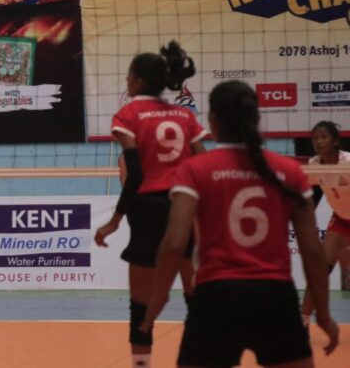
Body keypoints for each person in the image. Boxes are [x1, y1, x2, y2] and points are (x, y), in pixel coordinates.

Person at [142, 80, 339, 367]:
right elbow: (312, 251)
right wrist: (324, 314)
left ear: (212, 122)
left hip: (215, 297)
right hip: (275, 297)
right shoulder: (291, 171)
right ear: (256, 119)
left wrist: (158, 299)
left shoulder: (195, 169)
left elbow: (174, 243)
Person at [93, 41, 206, 368]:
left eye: (129, 76)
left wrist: (114, 220)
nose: (126, 81)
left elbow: (136, 173)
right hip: (185, 209)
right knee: (197, 304)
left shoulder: (128, 115)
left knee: (141, 308)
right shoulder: (185, 115)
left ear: (139, 81)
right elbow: (205, 166)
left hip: (147, 211)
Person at [301, 121, 350, 325]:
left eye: (324, 137)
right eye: (315, 138)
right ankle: (303, 322)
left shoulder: (348, 162)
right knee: (319, 271)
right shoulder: (314, 164)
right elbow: (308, 194)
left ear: (335, 141)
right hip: (341, 218)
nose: (319, 142)